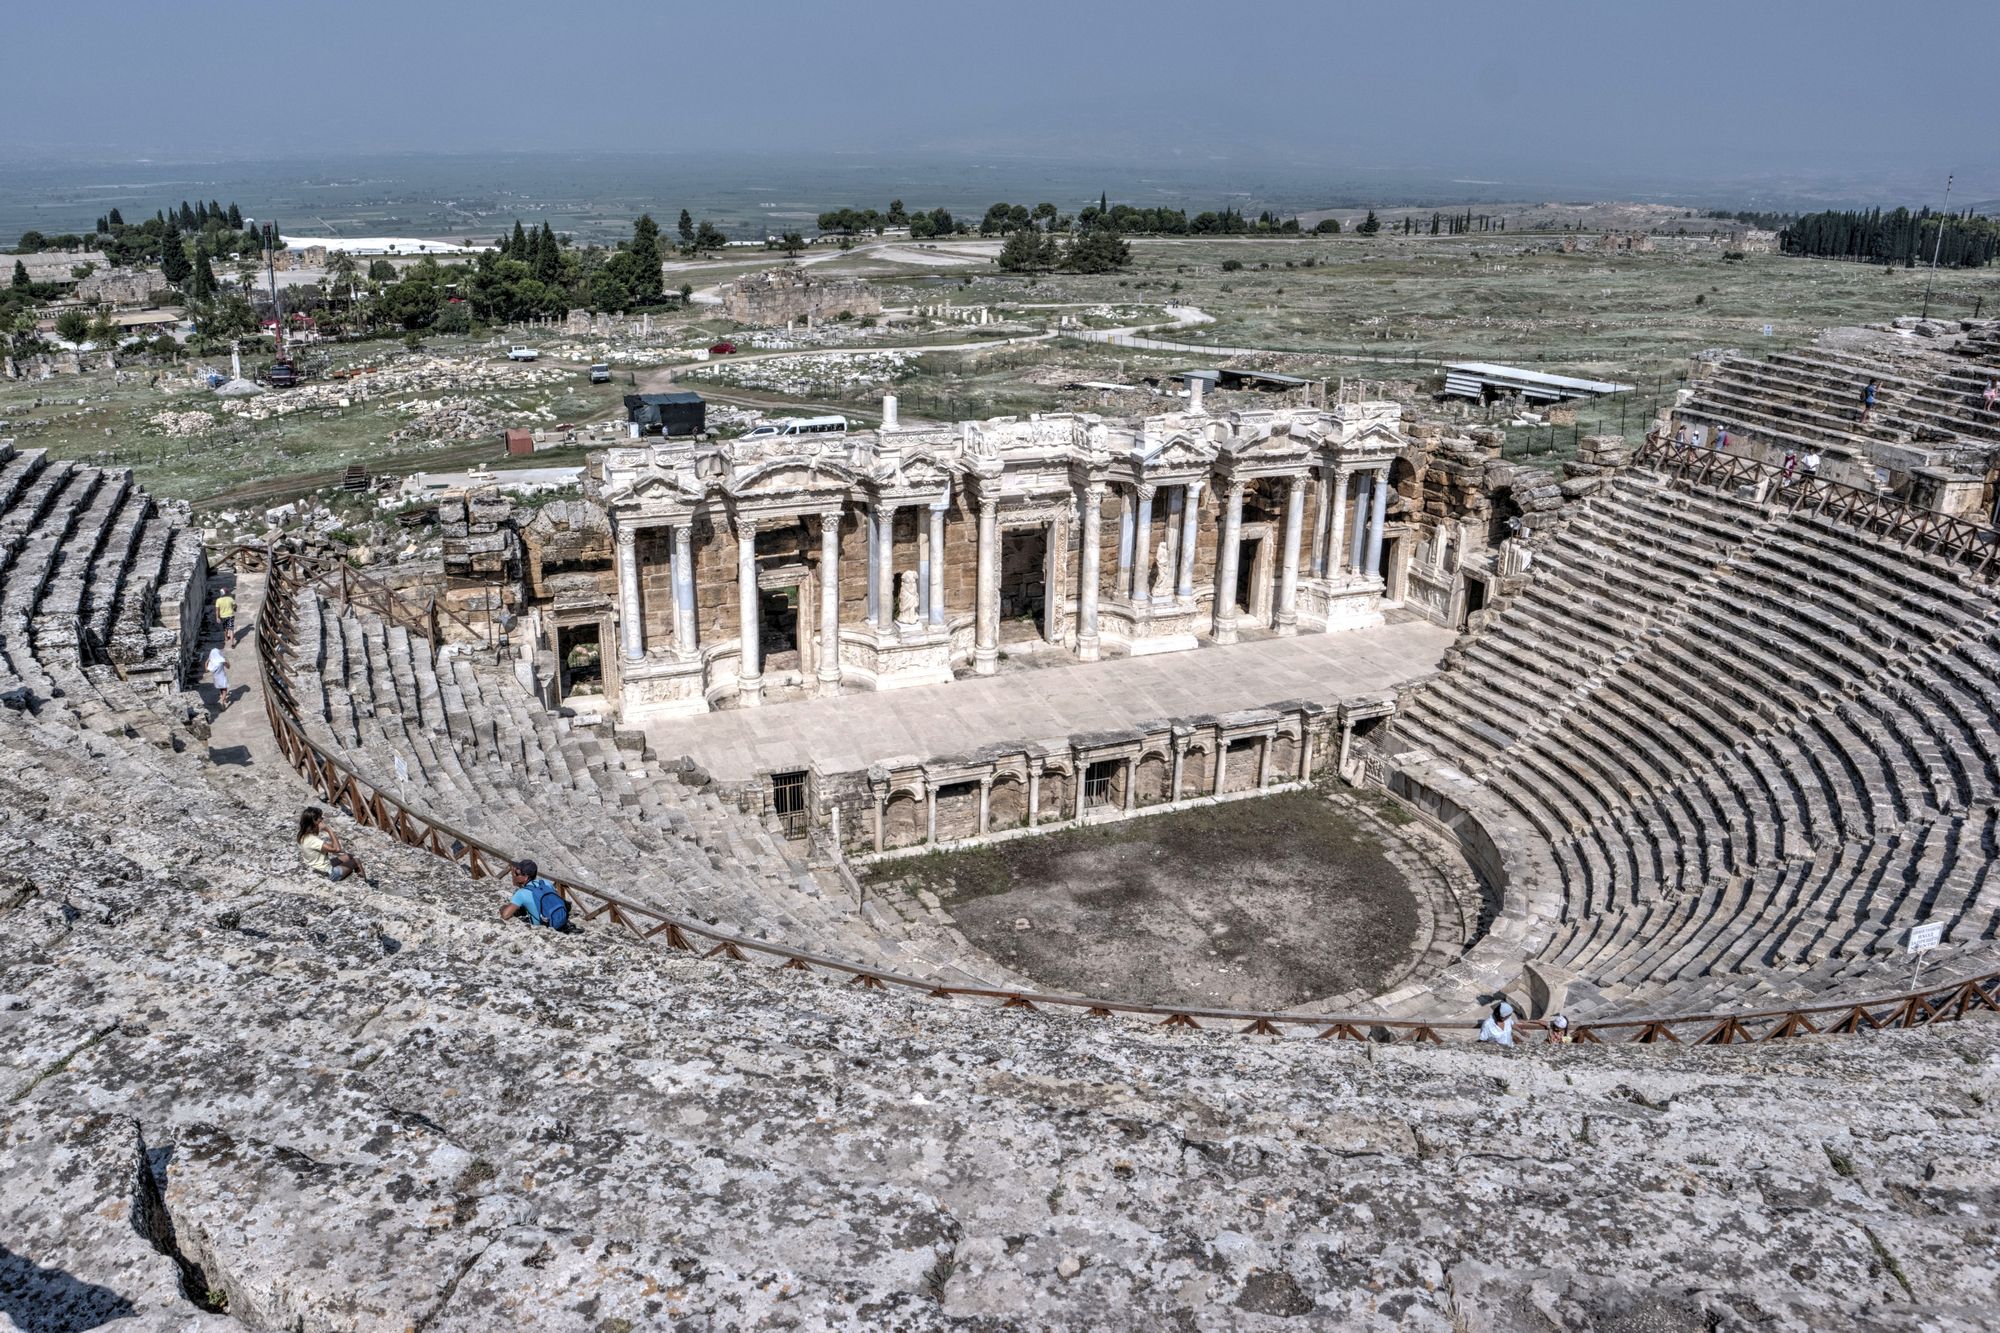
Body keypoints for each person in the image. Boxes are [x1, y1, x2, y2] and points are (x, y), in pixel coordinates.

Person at [297, 806, 364, 882]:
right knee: (357, 861)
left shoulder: (302, 836)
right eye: (320, 819)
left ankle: (357, 877)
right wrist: (329, 830)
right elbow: (337, 849)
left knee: (349, 856)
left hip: (315, 867)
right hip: (328, 873)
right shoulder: (313, 840)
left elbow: (328, 847)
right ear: (314, 821)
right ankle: (363, 883)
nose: (322, 820)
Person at [501, 858, 570, 931]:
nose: (514, 875)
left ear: (525, 877)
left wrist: (503, 908)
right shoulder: (546, 883)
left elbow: (505, 915)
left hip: (542, 927)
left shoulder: (521, 893)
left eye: (517, 874)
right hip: (559, 920)